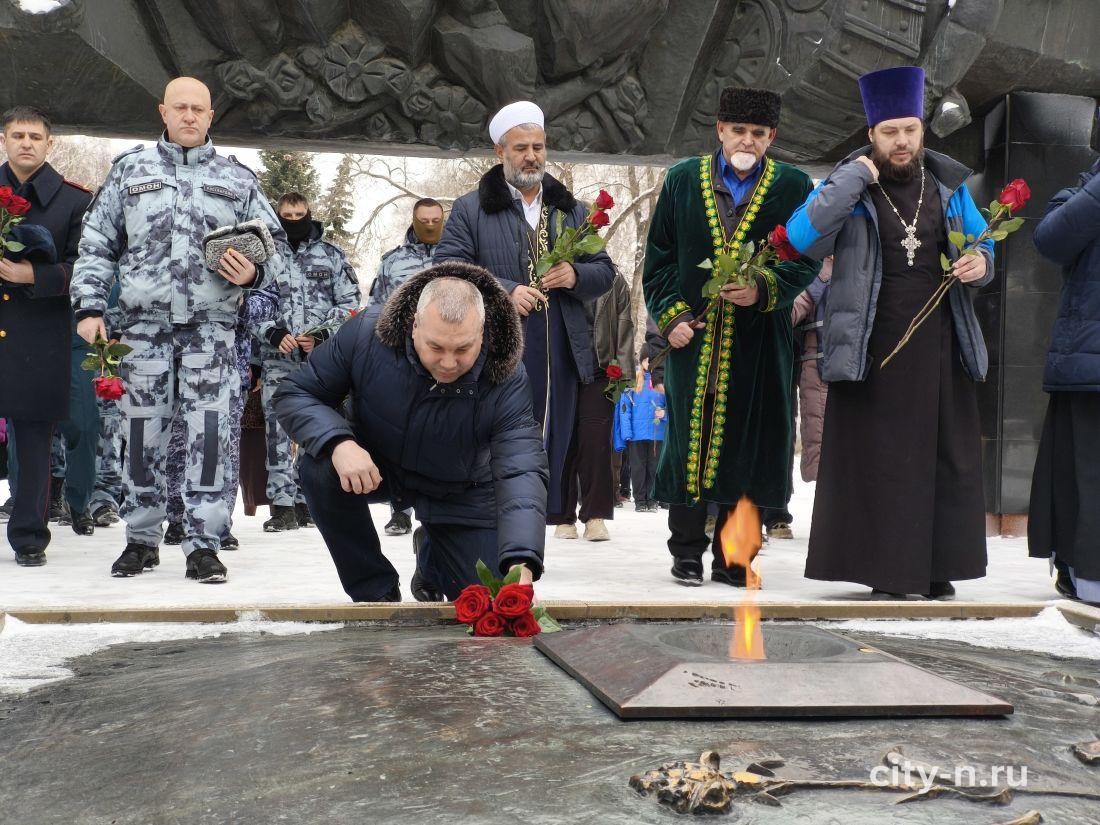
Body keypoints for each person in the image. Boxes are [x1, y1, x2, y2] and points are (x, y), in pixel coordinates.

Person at [71, 77, 289, 583]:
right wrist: (88, 307)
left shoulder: (238, 179)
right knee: (141, 435)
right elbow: (97, 242)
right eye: (180, 107)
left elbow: (276, 249)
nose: (189, 116)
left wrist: (254, 274)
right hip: (142, 332)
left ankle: (203, 545)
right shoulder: (130, 171)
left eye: (199, 109)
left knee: (210, 439)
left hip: (212, 335)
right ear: (163, 112)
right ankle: (141, 540)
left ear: (211, 116)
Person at [787, 66, 993, 600]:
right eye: (889, 132)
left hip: (940, 342)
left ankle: (935, 567)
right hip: (870, 346)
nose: (901, 141)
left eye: (909, 130)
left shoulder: (948, 183)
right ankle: (885, 571)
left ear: (921, 130)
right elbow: (803, 236)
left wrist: (980, 264)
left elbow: (983, 245)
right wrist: (854, 177)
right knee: (880, 458)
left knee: (940, 455)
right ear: (871, 135)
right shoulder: (849, 184)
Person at [272, 263, 548, 602]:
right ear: (414, 325)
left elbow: (521, 467)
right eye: (436, 347)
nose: (448, 363)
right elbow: (296, 393)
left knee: (488, 601)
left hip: (461, 488)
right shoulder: (366, 335)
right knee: (319, 466)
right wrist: (339, 442)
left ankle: (433, 555)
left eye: (463, 349)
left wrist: (521, 561)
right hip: (380, 466)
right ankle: (374, 590)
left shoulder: (507, 375)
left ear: (482, 331)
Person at [643, 86, 819, 587]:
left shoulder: (794, 186)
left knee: (752, 441)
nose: (747, 140)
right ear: (719, 129)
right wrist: (673, 318)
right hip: (694, 338)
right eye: (738, 130)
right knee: (689, 440)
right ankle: (686, 552)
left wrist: (763, 288)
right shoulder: (682, 180)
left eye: (758, 133)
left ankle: (735, 558)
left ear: (771, 137)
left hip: (760, 342)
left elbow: (806, 260)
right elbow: (658, 260)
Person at [435, 101, 614, 529]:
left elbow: (605, 272)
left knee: (554, 439)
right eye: (520, 148)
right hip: (499, 347)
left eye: (538, 147)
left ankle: (535, 523)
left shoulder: (571, 210)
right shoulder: (470, 209)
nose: (531, 156)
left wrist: (576, 275)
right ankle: (496, 519)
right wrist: (504, 291)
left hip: (561, 348)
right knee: (503, 439)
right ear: (500, 152)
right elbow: (447, 269)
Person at [0, 105, 94, 565]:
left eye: (35, 137)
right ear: (4, 140)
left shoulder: (73, 201)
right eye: (18, 135)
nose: (26, 143)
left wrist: (34, 276)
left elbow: (88, 265)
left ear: (49, 143)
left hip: (38, 337)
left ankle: (30, 538)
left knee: (35, 443)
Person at [254, 191, 360, 533]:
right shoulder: (265, 256)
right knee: (277, 430)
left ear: (309, 214)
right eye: (287, 216)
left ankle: (307, 500)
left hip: (319, 361)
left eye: (299, 215)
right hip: (277, 359)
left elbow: (350, 304)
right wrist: (271, 332)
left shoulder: (331, 256)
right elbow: (248, 301)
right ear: (278, 216)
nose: (294, 221)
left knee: (314, 426)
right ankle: (282, 504)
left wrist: (323, 334)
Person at [1028, 158, 1100, 606]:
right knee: (1085, 481)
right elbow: (1051, 241)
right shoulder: (1080, 193)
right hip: (1088, 369)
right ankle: (1087, 579)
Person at [368, 197, 446, 537]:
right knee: (401, 434)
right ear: (413, 221)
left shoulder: (458, 256)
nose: (429, 225)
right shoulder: (393, 262)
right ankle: (400, 509)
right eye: (423, 220)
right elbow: (377, 309)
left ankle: (439, 507)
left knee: (443, 432)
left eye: (435, 219)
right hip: (403, 358)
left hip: (448, 359)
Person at [553, 269, 635, 541]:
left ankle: (595, 516)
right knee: (564, 441)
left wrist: (624, 374)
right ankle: (563, 517)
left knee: (597, 441)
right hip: (563, 369)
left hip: (601, 369)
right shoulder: (555, 270)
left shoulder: (614, 278)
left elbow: (625, 325)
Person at [791, 257, 832, 485]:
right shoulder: (816, 268)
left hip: (852, 372)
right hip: (817, 372)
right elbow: (790, 313)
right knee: (819, 451)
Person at [613, 353, 666, 512]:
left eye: (653, 359)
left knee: (654, 468)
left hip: (657, 433)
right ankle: (640, 500)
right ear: (642, 361)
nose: (650, 363)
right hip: (637, 434)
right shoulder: (633, 381)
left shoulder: (663, 381)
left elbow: (673, 404)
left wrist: (664, 413)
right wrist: (626, 432)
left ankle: (652, 499)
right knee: (637, 468)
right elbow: (625, 409)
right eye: (647, 360)